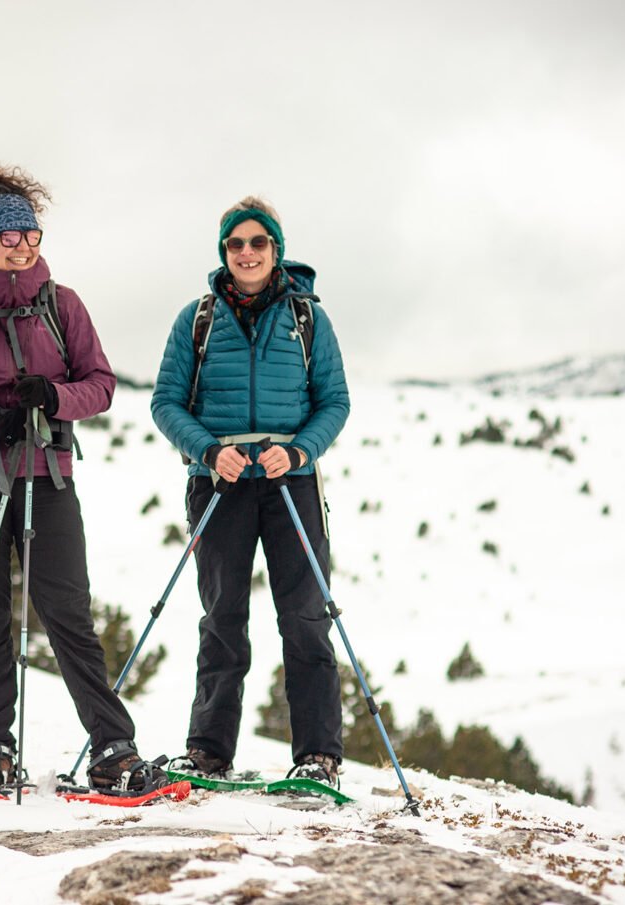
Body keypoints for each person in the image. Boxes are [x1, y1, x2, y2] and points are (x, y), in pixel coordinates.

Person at [0, 166, 168, 795]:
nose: (23, 244)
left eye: (30, 232)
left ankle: (113, 747)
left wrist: (52, 398)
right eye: (9, 235)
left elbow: (101, 386)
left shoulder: (62, 303)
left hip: (47, 474)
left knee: (67, 612)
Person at [150, 196, 350, 786]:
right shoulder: (198, 319)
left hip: (292, 482)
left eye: (257, 242)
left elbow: (334, 402)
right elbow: (166, 402)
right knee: (222, 618)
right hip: (220, 482)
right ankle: (209, 750)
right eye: (235, 244)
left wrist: (299, 450)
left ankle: (318, 755)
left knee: (306, 617)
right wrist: (210, 451)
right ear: (223, 252)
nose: (246, 252)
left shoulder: (309, 318)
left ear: (276, 250)